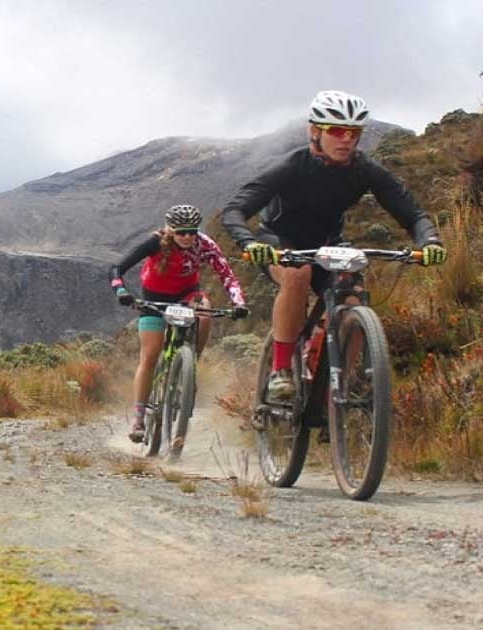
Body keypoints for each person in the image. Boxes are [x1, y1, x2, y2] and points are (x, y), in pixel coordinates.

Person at [221, 90, 447, 405]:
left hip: (327, 244)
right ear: (315, 132)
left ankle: (339, 384)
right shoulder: (293, 165)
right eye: (337, 131)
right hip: (279, 241)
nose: (347, 140)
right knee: (296, 275)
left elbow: (412, 213)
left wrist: (429, 241)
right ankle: (281, 371)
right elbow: (235, 210)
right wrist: (249, 243)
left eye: (354, 133)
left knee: (352, 298)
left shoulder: (363, 169)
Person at [110, 204, 249, 442]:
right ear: (170, 230)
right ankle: (139, 418)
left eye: (192, 231)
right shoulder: (155, 243)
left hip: (187, 294)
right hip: (153, 299)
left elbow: (226, 274)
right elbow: (117, 268)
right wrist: (121, 290)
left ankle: (190, 365)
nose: (187, 237)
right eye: (181, 232)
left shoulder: (204, 244)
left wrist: (238, 303)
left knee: (204, 312)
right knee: (150, 355)